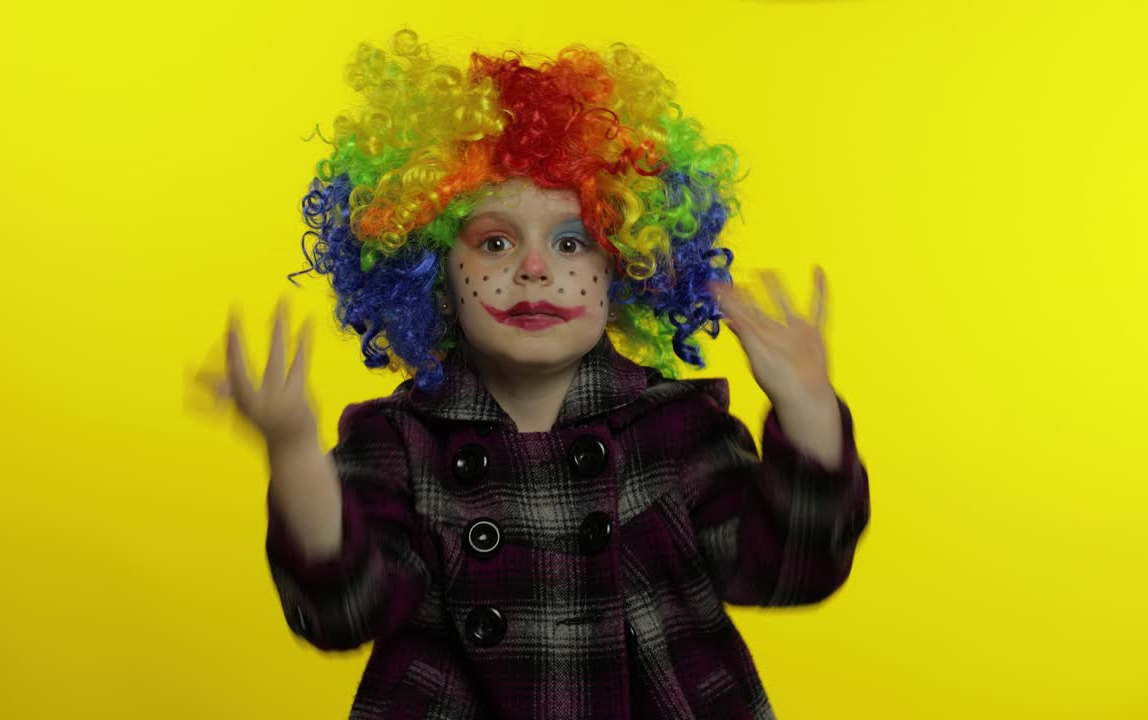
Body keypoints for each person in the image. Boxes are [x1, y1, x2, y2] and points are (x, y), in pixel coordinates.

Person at [200, 30, 870, 720]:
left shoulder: (676, 428)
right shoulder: (398, 440)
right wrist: (293, 451)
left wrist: (810, 413)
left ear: (624, 265)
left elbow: (790, 569)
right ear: (428, 270)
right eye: (494, 241)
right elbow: (341, 609)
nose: (535, 268)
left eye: (573, 241)